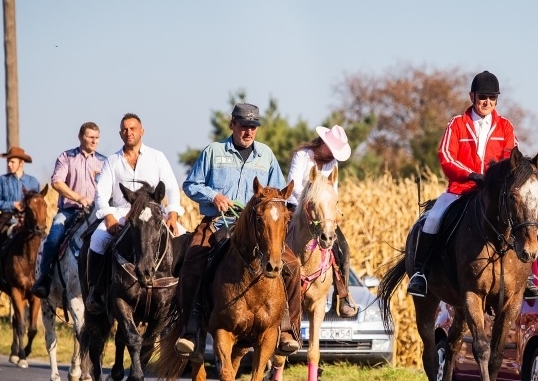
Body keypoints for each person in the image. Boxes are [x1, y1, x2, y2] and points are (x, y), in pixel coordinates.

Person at [174, 103, 302, 359]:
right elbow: (190, 184)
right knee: (192, 262)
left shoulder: (265, 155)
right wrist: (214, 195)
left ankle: (287, 329)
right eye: (243, 126)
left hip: (258, 228)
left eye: (253, 127)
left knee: (293, 264)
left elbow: (278, 193)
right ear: (232, 124)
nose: (248, 132)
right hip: (219, 223)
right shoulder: (213, 152)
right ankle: (190, 330)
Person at [406, 71, 538, 300]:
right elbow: (446, 157)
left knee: (525, 219)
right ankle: (420, 273)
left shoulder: (506, 127)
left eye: (492, 97)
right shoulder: (457, 124)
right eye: (482, 96)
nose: (487, 102)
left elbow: (514, 160)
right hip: (461, 189)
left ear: (497, 99)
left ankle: (527, 276)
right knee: (432, 219)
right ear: (472, 96)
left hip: (494, 194)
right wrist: (470, 175)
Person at [84, 113, 184, 309]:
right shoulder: (112, 161)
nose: (128, 132)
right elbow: (101, 194)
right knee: (97, 240)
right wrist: (109, 218)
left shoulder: (157, 157)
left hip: (153, 213)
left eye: (132, 129)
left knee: (184, 236)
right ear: (120, 133)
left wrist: (172, 214)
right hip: (122, 213)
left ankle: (182, 295)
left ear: (142, 132)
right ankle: (95, 291)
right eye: (124, 129)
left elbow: (172, 188)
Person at [286, 124, 357, 317]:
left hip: (322, 214)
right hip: (296, 208)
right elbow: (292, 185)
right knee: (275, 240)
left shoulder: (332, 164)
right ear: (323, 143)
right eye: (332, 150)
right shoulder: (302, 156)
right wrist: (312, 200)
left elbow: (334, 190)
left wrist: (325, 205)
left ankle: (342, 295)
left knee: (342, 247)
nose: (333, 155)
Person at [31, 122, 107, 299]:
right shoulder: (67, 157)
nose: (94, 141)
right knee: (53, 237)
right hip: (70, 211)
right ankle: (44, 279)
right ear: (80, 137)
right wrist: (79, 198)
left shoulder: (104, 161)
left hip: (97, 213)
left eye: (97, 138)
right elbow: (57, 182)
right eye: (90, 137)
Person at [0, 147, 41, 299]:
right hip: (7, 219)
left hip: (29, 223)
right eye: (8, 162)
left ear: (21, 163)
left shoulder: (33, 182)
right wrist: (12, 205)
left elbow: (39, 203)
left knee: (44, 244)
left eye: (12, 161)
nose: (9, 165)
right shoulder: (2, 180)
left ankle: (45, 280)